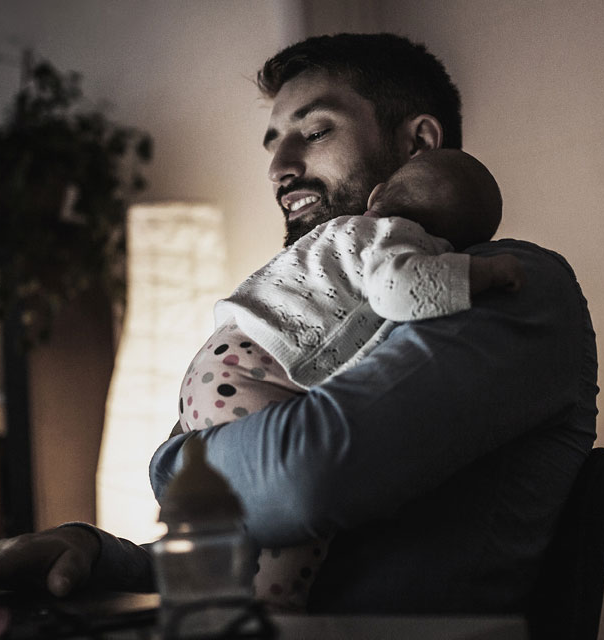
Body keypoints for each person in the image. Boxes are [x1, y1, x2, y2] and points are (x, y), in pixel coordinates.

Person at [0, 32, 597, 617]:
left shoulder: (514, 288)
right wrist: (94, 553)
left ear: (419, 143)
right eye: (273, 141)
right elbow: (254, 556)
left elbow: (303, 480)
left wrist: (171, 463)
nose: (279, 165)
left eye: (315, 132)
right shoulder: (335, 323)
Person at [180, 148, 522, 610]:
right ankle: (276, 610)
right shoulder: (398, 237)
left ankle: (214, 602)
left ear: (376, 194)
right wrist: (479, 273)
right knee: (297, 526)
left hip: (215, 365)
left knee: (237, 526)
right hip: (258, 372)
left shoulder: (334, 235)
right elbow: (399, 291)